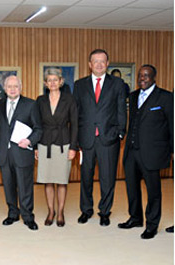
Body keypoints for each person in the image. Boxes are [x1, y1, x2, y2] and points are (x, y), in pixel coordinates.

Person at [118, 65, 173, 239]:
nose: (142, 78)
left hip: (152, 152)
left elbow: (172, 126)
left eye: (146, 76)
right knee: (132, 187)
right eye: (140, 75)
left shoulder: (165, 97)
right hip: (132, 152)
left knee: (153, 191)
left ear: (154, 77)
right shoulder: (133, 97)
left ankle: (152, 225)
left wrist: (173, 150)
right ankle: (135, 218)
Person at [74, 49, 127, 226]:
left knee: (107, 178)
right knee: (86, 177)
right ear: (89, 64)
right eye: (95, 61)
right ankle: (86, 210)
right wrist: (76, 139)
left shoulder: (118, 84)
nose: (98, 64)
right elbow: (76, 113)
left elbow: (121, 110)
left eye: (102, 61)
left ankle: (105, 211)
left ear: (107, 63)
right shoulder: (80, 85)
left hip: (108, 139)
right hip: (86, 139)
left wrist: (120, 132)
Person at [0, 75, 42, 230]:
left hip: (22, 152)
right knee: (8, 186)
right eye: (9, 86)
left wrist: (29, 141)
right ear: (4, 88)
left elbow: (38, 129)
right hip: (4, 153)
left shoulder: (31, 104)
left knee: (25, 186)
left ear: (21, 88)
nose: (13, 89)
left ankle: (28, 217)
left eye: (16, 86)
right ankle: (13, 214)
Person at [35, 68, 78, 227]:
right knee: (47, 181)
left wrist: (73, 147)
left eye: (55, 80)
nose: (52, 83)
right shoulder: (40, 100)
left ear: (61, 82)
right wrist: (35, 147)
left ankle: (60, 212)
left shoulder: (69, 99)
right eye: (49, 80)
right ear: (46, 83)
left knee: (61, 181)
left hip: (63, 144)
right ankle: (50, 211)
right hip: (45, 143)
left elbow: (74, 125)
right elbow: (37, 125)